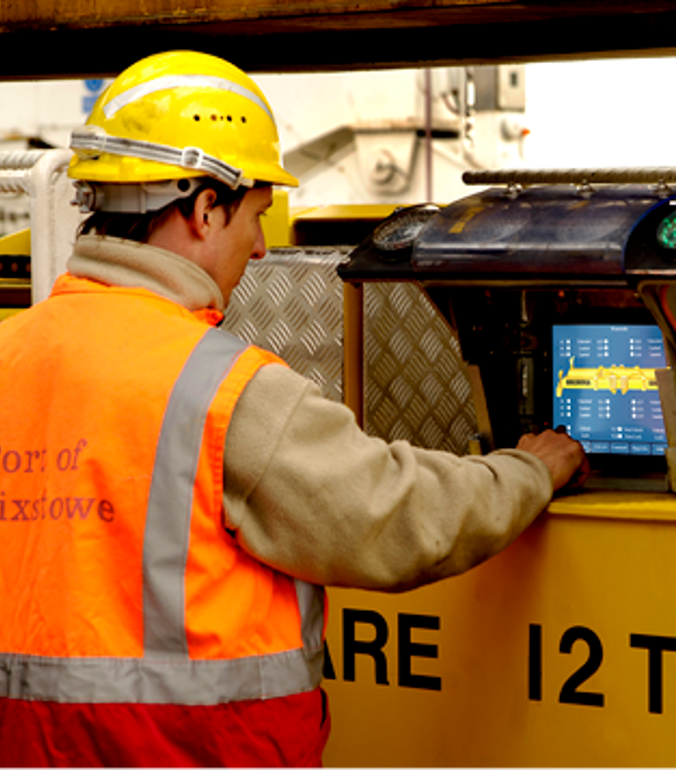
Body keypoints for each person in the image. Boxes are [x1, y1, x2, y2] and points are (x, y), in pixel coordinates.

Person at [0, 50, 588, 770]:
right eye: (255, 213)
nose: (262, 245)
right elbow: (397, 518)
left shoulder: (8, 354)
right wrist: (528, 471)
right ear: (204, 207)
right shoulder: (216, 389)